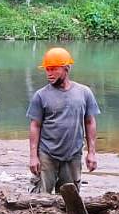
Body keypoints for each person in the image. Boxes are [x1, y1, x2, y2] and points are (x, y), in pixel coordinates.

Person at [27, 47, 100, 194]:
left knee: (69, 197)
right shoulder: (41, 95)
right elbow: (35, 126)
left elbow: (90, 122)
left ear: (66, 68)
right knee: (40, 198)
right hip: (46, 154)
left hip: (73, 154)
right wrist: (33, 157)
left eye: (53, 69)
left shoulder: (84, 93)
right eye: (47, 69)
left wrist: (91, 153)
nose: (49, 74)